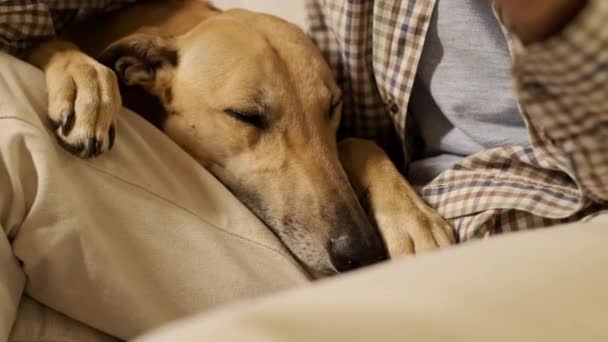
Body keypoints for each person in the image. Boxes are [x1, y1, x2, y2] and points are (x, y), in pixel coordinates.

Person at [0, 0, 606, 341]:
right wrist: (56, 53)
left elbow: (317, 131)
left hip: (521, 242)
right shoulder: (175, 55)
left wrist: (558, 24)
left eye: (330, 109)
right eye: (249, 119)